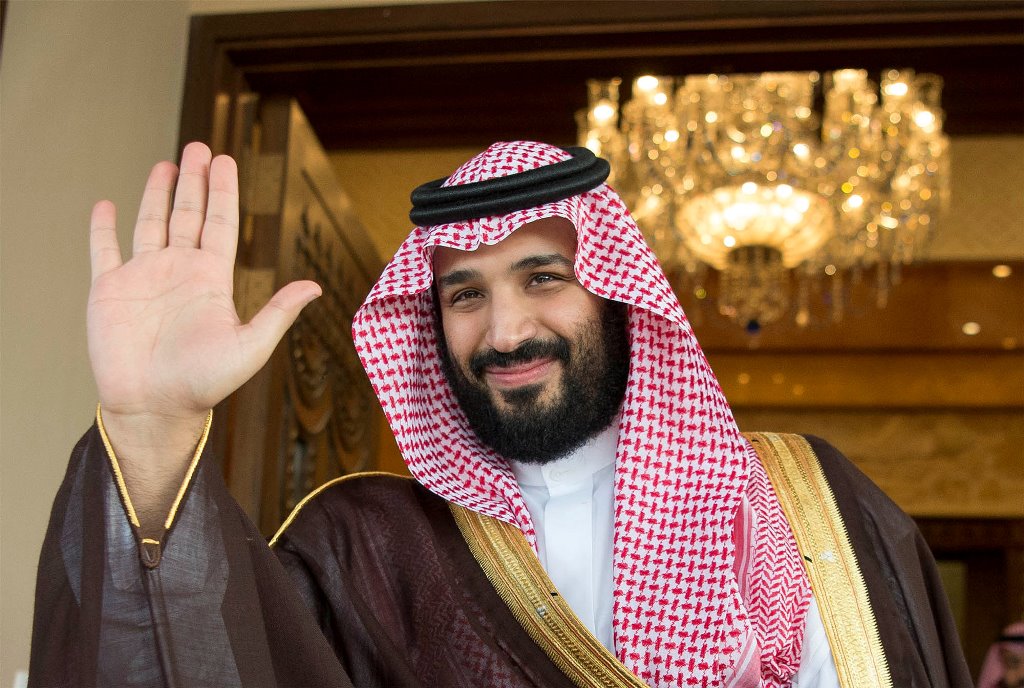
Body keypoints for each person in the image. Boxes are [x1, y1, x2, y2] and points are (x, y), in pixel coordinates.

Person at [30, 141, 969, 687]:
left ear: (615, 292)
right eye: (463, 295)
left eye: (543, 278)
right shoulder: (369, 547)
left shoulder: (811, 503)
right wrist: (152, 423)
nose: (505, 330)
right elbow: (198, 660)